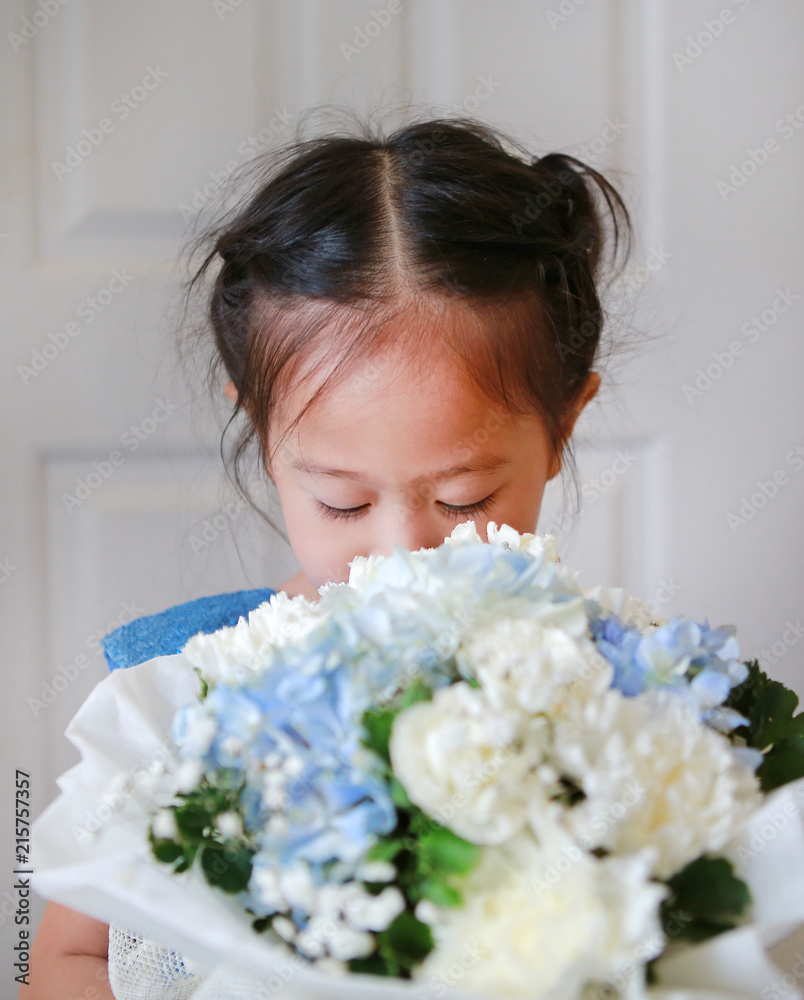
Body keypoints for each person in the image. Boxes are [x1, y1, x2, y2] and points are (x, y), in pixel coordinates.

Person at [27, 109, 634, 999]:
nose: (401, 553)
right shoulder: (174, 692)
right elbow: (65, 959)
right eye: (342, 503)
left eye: (464, 499)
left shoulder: (624, 701)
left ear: (564, 428)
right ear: (264, 436)